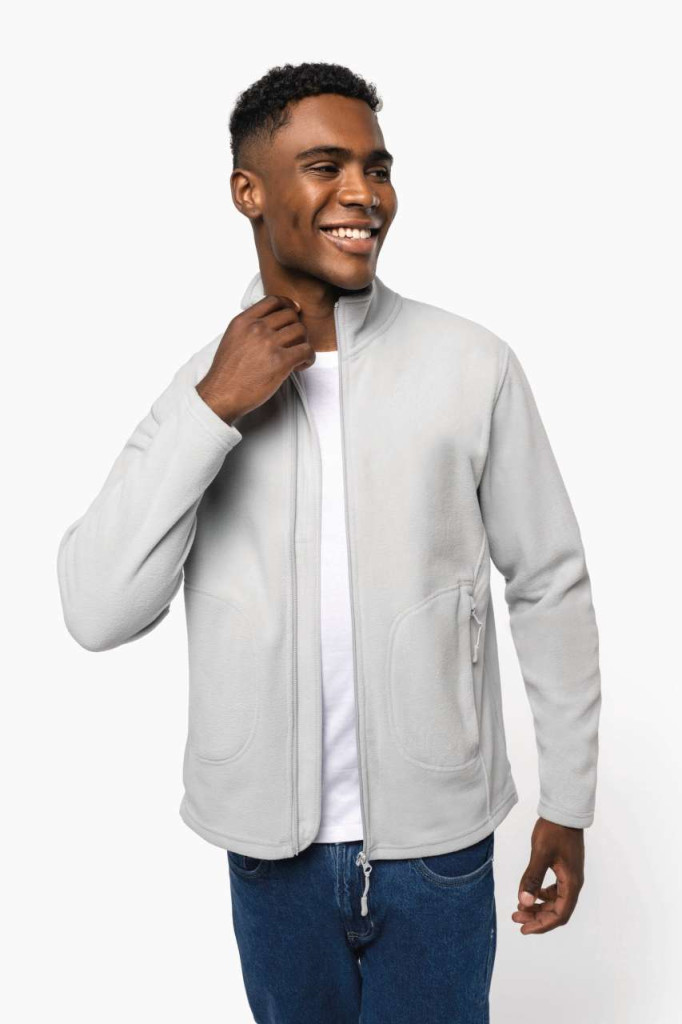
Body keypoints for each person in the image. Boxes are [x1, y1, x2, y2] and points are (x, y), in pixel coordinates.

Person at [56, 62, 602, 1023]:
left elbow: (548, 581)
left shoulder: (470, 365)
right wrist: (214, 407)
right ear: (249, 191)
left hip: (438, 849)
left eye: (377, 168)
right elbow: (97, 611)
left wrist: (570, 797)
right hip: (271, 857)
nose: (364, 193)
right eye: (325, 166)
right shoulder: (205, 386)